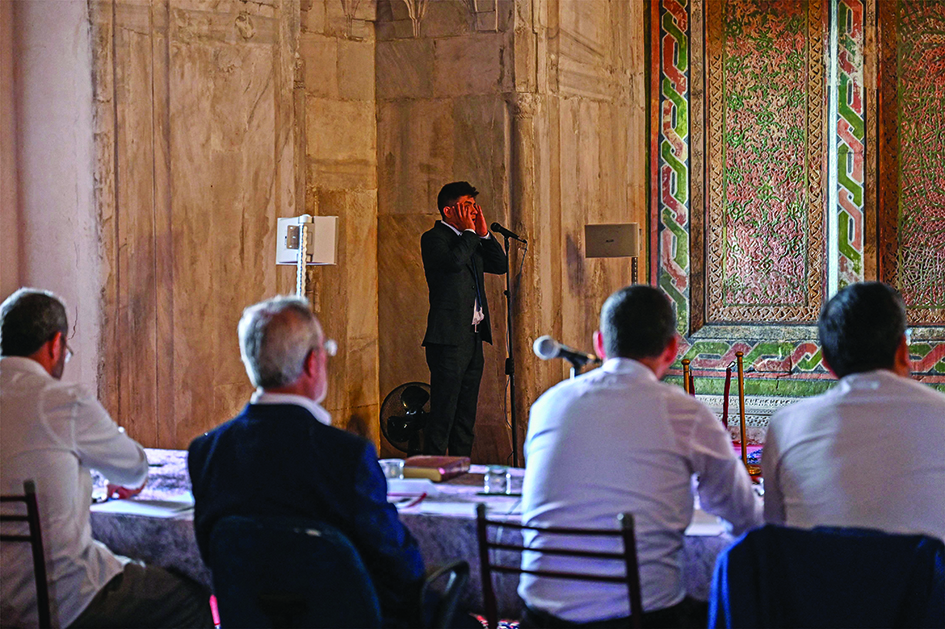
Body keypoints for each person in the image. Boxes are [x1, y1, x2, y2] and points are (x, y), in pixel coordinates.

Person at [519, 285, 761, 628]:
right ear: (672, 349)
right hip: (640, 619)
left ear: (600, 344)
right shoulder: (685, 414)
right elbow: (744, 517)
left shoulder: (547, 404)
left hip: (539, 618)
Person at [188, 296, 426, 627]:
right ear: (313, 363)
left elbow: (215, 555)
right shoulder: (345, 454)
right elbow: (399, 565)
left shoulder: (207, 452)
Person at [0, 288, 213, 628]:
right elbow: (134, 468)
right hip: (65, 602)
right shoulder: (60, 401)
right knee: (188, 597)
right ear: (55, 344)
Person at [762, 281, 945, 541]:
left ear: (827, 362)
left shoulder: (786, 426)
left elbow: (776, 528)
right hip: (922, 581)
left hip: (815, 580)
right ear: (903, 351)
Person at [420, 182, 508, 457]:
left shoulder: (470, 241)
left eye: (473, 205)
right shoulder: (435, 238)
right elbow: (453, 262)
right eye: (467, 206)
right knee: (444, 413)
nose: (473, 211)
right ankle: (432, 476)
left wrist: (483, 234)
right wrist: (470, 233)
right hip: (447, 341)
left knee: (465, 415)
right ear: (448, 210)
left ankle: (461, 472)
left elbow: (500, 265)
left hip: (472, 337)